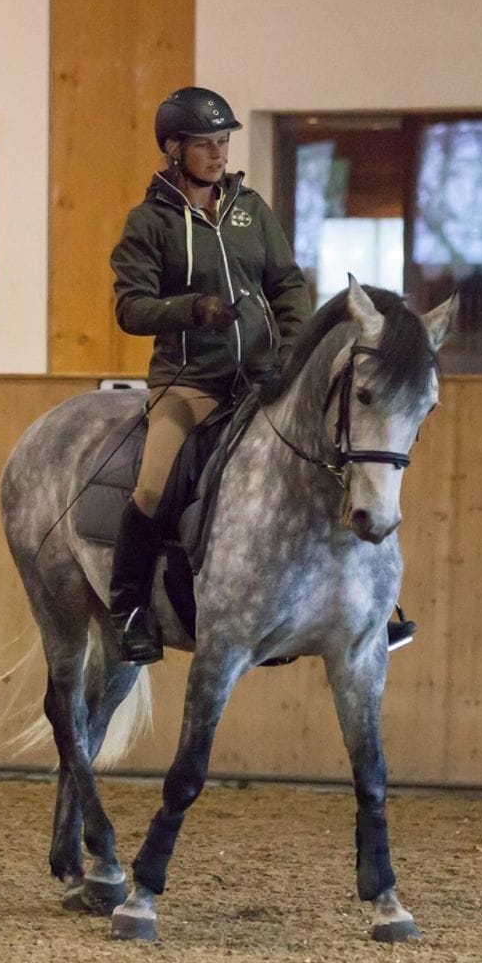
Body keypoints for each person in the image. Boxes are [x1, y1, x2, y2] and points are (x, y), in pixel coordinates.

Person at [107, 86, 415, 664]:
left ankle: (375, 607)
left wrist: (295, 354)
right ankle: (129, 609)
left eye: (223, 143)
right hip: (190, 381)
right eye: (206, 145)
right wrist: (191, 309)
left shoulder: (250, 211)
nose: (219, 155)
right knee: (155, 486)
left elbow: (287, 285)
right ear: (174, 149)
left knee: (340, 454)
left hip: (262, 377)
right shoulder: (149, 223)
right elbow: (130, 308)